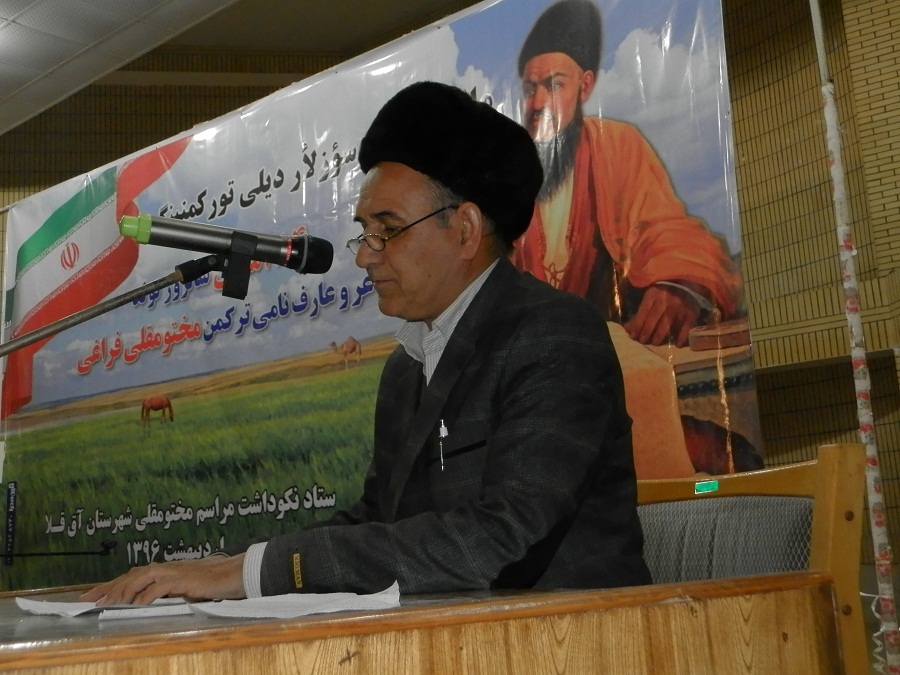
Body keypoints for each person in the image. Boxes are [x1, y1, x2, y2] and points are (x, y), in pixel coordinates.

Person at [82, 81, 650, 605]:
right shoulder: (407, 366)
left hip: (573, 643)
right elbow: (380, 523)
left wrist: (259, 572)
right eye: (365, 231)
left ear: (465, 229)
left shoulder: (552, 335)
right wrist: (227, 566)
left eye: (388, 229)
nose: (364, 255)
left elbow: (503, 541)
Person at [513, 0, 744, 348]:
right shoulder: (507, 171)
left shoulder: (618, 146)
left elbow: (666, 230)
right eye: (530, 89)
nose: (539, 103)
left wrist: (677, 286)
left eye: (555, 85)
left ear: (585, 86)